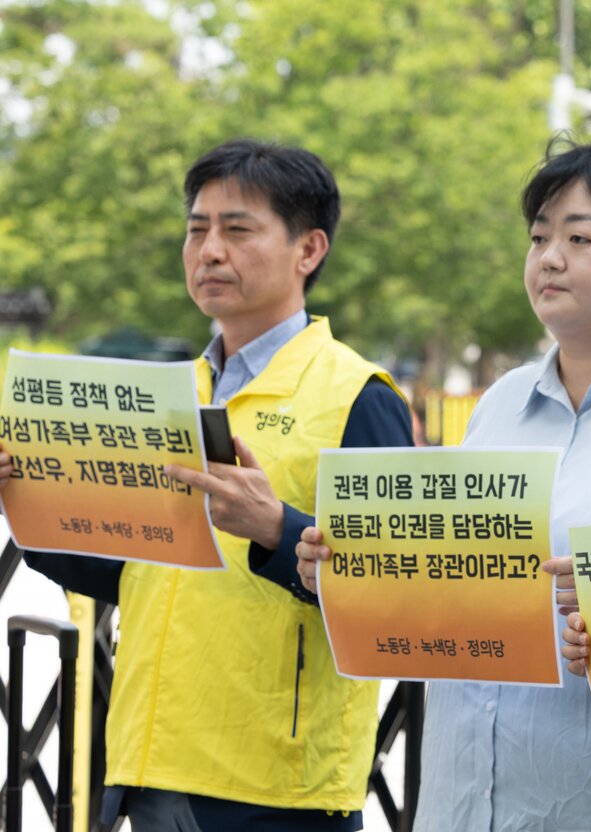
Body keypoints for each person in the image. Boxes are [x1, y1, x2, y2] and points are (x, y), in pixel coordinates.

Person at [295, 137, 591, 831]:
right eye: (539, 237)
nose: (549, 258)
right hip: (462, 801)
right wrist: (346, 572)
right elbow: (451, 593)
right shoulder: (503, 403)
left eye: (580, 238)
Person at [0, 138, 413, 830]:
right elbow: (136, 571)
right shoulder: (169, 394)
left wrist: (278, 530)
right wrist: (28, 500)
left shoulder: (357, 396)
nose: (209, 250)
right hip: (147, 764)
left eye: (237, 229)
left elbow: (399, 600)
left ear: (308, 251)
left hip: (274, 792)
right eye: (197, 230)